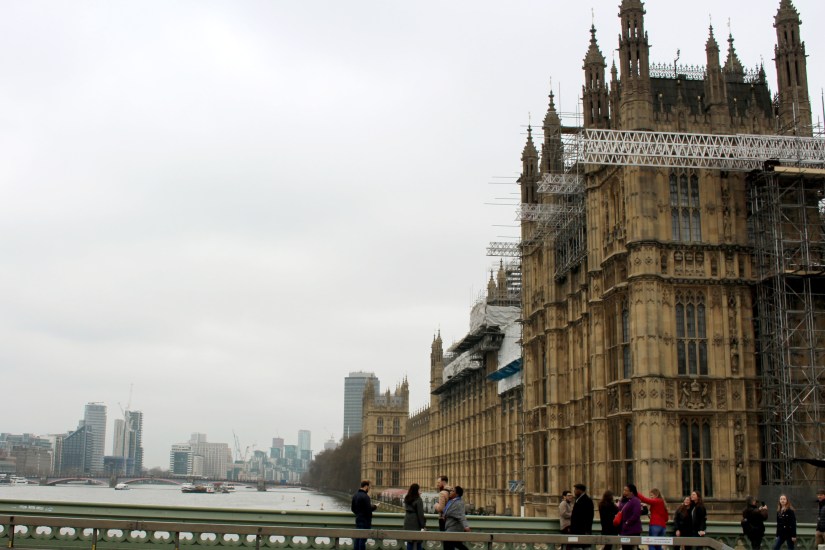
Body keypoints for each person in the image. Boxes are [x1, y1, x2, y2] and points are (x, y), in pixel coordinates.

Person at [351, 480, 377, 550]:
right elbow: (368, 509)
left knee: (357, 539)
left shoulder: (355, 495)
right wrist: (375, 507)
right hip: (365, 521)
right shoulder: (366, 497)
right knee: (363, 540)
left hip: (358, 519)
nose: (369, 489)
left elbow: (352, 509)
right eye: (369, 487)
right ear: (366, 486)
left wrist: (359, 514)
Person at [443, 485, 470, 550]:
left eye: (452, 491)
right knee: (454, 544)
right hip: (450, 527)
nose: (450, 492)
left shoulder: (459, 503)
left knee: (449, 544)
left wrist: (466, 526)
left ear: (457, 494)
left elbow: (461, 516)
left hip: (454, 528)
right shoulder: (452, 501)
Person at [617, 484, 642, 550]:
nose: (624, 492)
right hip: (624, 530)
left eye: (626, 490)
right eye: (624, 490)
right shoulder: (623, 500)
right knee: (624, 548)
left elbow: (636, 515)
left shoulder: (635, 501)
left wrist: (627, 522)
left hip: (633, 530)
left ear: (631, 492)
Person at [570, 483, 594, 549]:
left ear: (580, 490)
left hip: (582, 530)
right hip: (576, 530)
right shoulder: (578, 499)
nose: (574, 491)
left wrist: (587, 531)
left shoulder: (587, 500)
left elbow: (589, 517)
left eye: (575, 489)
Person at [403, 483, 426, 550]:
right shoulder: (418, 500)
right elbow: (420, 514)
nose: (420, 491)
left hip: (407, 520)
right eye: (419, 489)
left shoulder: (407, 498)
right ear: (416, 490)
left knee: (409, 541)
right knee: (418, 541)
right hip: (415, 522)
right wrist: (423, 525)